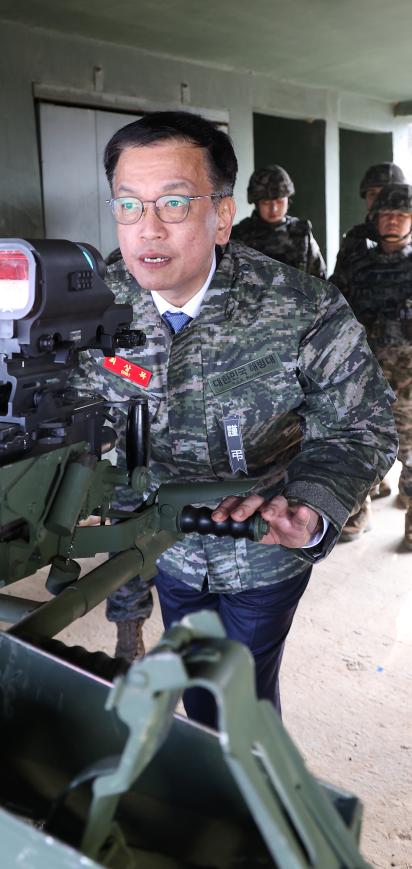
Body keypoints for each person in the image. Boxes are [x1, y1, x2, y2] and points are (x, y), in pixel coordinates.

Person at [75, 111, 397, 725]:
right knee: (197, 692)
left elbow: (363, 425)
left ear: (222, 215)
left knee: (243, 704)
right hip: (163, 549)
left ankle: (252, 805)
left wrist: (312, 502)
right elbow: (70, 410)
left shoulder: (299, 307)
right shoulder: (93, 305)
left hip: (261, 551)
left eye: (173, 203)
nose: (147, 229)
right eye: (127, 205)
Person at [336, 183, 412, 549]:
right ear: (374, 218)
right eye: (386, 214)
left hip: (410, 380)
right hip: (364, 378)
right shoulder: (356, 264)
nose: (393, 220)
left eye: (402, 214)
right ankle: (358, 510)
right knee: (361, 447)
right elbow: (333, 313)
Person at [230, 164, 326, 279]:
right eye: (266, 202)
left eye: (279, 201)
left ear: (287, 200)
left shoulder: (302, 233)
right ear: (256, 203)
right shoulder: (238, 236)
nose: (273, 209)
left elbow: (320, 280)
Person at [329, 162, 406, 300]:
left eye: (386, 193)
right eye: (373, 194)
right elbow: (337, 291)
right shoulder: (355, 238)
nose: (379, 200)